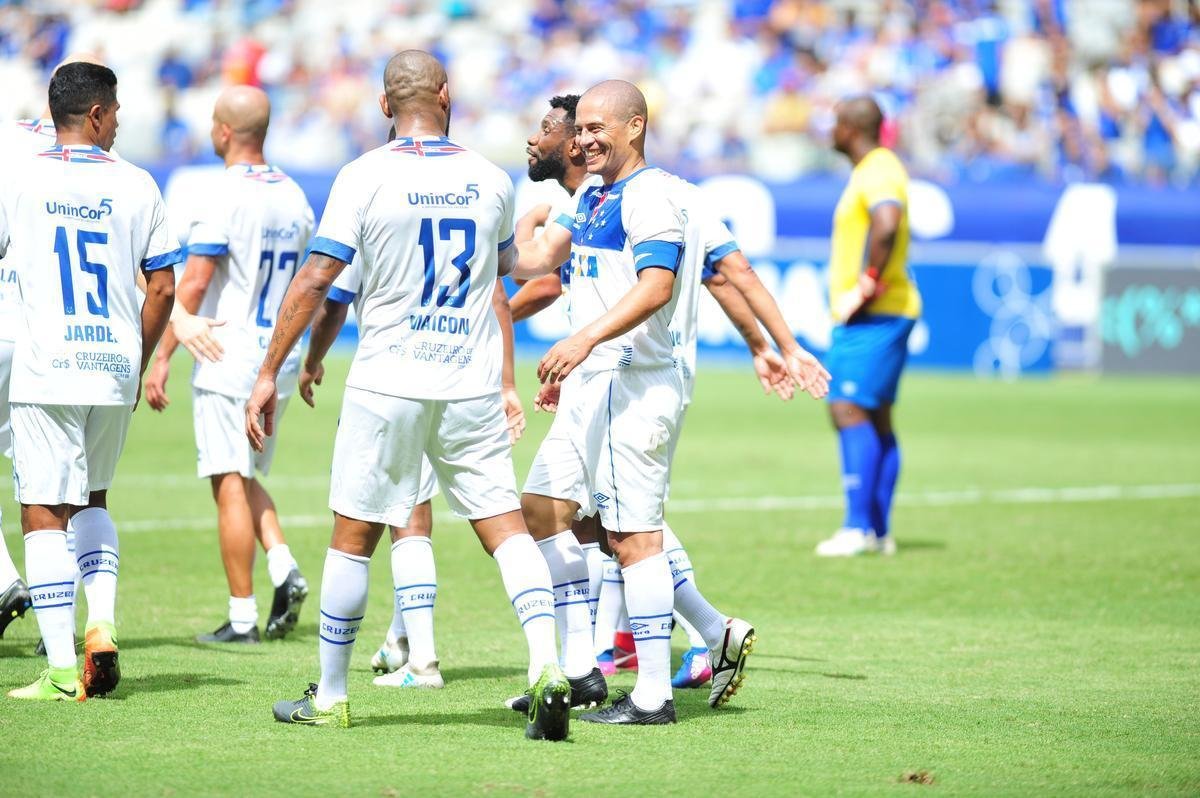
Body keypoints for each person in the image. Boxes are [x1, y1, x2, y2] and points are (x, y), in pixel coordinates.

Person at [246, 50, 570, 740]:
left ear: (384, 105)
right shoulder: (487, 179)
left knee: (354, 535)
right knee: (504, 527)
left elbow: (316, 279)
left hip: (388, 379)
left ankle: (331, 695)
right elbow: (507, 274)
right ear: (447, 95)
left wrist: (271, 369)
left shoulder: (363, 175)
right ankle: (547, 668)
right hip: (468, 382)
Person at [511, 93, 828, 702]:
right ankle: (603, 662)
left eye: (595, 128)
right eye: (579, 130)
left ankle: (652, 693)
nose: (584, 140)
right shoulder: (593, 196)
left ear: (636, 126)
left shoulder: (656, 195)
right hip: (596, 378)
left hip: (633, 378)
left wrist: (783, 345)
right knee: (549, 513)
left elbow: (669, 285)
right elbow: (541, 262)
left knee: (632, 536)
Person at [0, 56, 222, 653]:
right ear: (96, 114)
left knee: (44, 513)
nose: (121, 120)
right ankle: (101, 622)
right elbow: (164, 287)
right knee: (94, 498)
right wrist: (140, 361)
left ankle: (61, 666)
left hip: (45, 368)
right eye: (117, 109)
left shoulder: (20, 179)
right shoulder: (137, 182)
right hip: (113, 365)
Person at [302, 251, 526, 689]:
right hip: (459, 383)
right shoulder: (471, 200)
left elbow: (332, 298)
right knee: (440, 519)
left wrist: (311, 360)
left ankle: (410, 663)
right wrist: (506, 382)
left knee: (377, 525)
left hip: (393, 384)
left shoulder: (377, 206)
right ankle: (402, 640)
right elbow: (499, 295)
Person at [143, 86, 312, 643]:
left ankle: (241, 617)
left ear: (222, 131)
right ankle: (283, 564)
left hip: (225, 351)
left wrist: (162, 354)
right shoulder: (295, 195)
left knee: (227, 480)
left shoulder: (221, 194)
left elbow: (192, 282)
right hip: (274, 359)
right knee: (243, 470)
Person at [815, 96, 922, 558]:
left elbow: (886, 224)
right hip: (882, 312)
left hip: (876, 313)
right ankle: (877, 530)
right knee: (874, 415)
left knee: (848, 407)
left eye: (835, 123)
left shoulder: (879, 167)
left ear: (851, 128)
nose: (830, 131)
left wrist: (868, 283)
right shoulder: (871, 170)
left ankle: (858, 527)